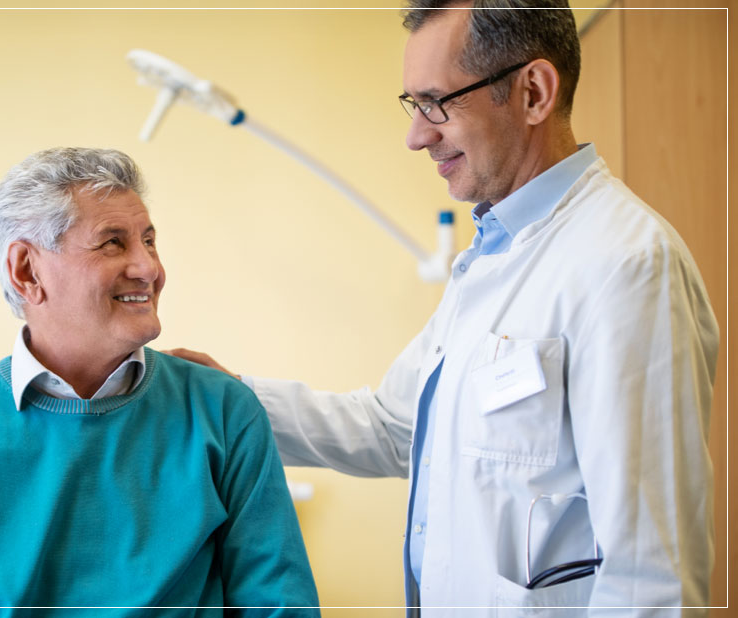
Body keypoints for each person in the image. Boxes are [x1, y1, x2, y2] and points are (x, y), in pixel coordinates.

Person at [169, 1, 719, 614]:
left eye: (438, 103)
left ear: (533, 92)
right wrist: (229, 400)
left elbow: (651, 578)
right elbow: (396, 429)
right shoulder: (490, 258)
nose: (416, 135)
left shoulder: (626, 265)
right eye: (414, 105)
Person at [0, 147, 320, 616]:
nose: (149, 268)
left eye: (149, 241)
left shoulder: (224, 412)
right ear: (27, 271)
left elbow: (281, 607)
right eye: (114, 242)